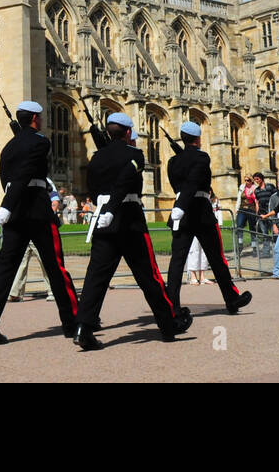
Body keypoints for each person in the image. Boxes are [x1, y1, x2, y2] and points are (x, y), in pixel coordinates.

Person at [71, 112, 191, 351]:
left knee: (96, 277)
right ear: (127, 133)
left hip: (104, 222)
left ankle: (83, 327)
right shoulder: (135, 154)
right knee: (149, 277)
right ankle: (168, 324)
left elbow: (93, 191)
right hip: (130, 222)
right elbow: (128, 183)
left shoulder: (96, 158)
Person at [0, 101, 80, 344]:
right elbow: (26, 173)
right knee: (56, 267)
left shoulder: (9, 147)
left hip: (16, 214)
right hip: (36, 209)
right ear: (35, 118)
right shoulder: (41, 141)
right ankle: (72, 322)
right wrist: (7, 204)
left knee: (4, 269)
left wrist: (9, 205)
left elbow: (8, 179)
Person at [164, 121, 250, 313]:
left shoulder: (173, 162)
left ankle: (171, 305)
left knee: (177, 261)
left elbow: (176, 185)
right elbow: (195, 181)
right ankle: (231, 299)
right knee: (217, 259)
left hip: (182, 215)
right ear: (198, 138)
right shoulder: (202, 157)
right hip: (201, 213)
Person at [9, 182, 61, 302]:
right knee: (21, 261)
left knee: (45, 261)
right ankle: (15, 292)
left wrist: (46, 217)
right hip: (23, 227)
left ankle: (53, 290)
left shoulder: (46, 181)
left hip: (39, 227)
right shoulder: (22, 180)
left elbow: (55, 201)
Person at [234, 176, 258, 256]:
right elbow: (238, 198)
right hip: (242, 209)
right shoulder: (242, 187)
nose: (246, 182)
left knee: (252, 228)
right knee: (239, 226)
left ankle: (254, 247)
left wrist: (257, 211)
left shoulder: (255, 188)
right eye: (245, 180)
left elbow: (256, 201)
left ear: (251, 181)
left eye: (248, 180)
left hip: (251, 209)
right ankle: (240, 245)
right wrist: (236, 209)